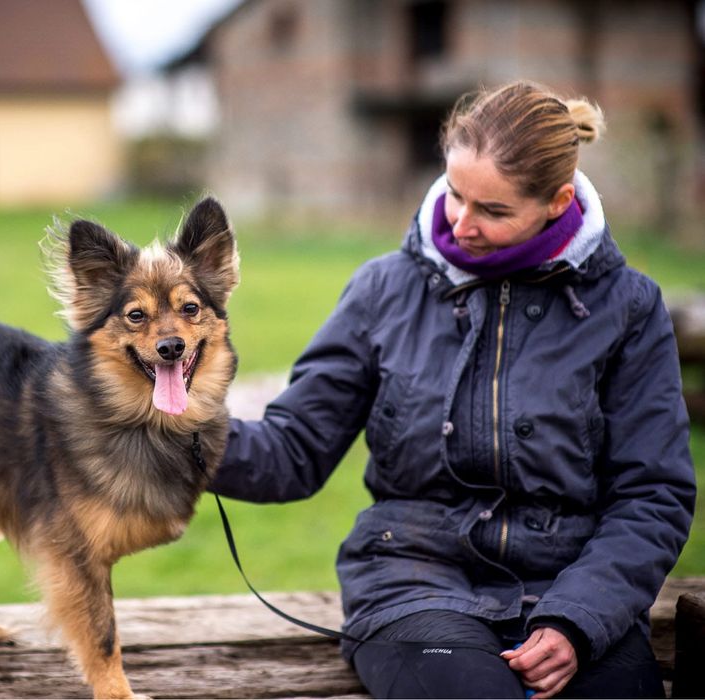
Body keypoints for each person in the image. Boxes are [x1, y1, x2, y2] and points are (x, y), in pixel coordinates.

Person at [209, 81, 695, 699]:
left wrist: (577, 619)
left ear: (557, 201)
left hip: (568, 583)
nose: (461, 224)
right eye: (455, 195)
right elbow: (294, 450)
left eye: (492, 211)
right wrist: (172, 437)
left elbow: (653, 492)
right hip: (411, 585)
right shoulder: (382, 289)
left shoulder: (628, 307)